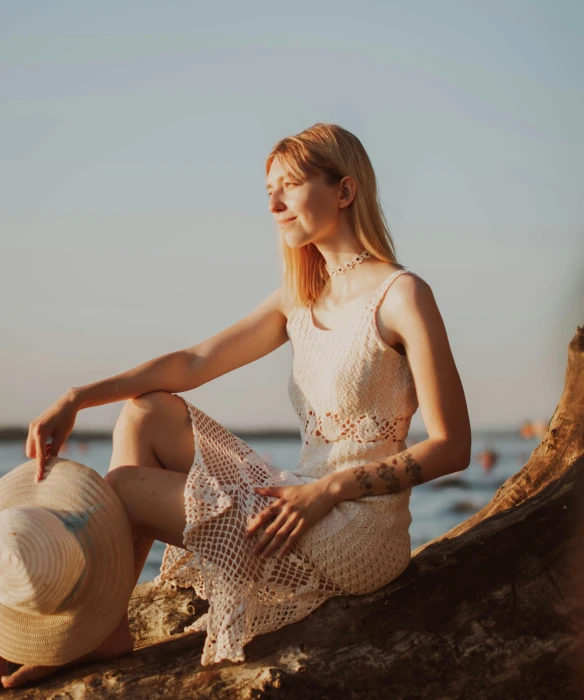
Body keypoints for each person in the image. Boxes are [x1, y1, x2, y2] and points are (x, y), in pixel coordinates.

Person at [1, 122, 471, 688]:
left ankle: (90, 627)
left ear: (344, 191)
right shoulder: (301, 295)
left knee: (124, 488)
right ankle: (103, 625)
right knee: (146, 411)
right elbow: (195, 362)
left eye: (290, 185)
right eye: (267, 191)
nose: (274, 204)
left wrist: (330, 489)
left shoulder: (402, 295)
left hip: (357, 529)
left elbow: (454, 447)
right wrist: (79, 397)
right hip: (298, 490)